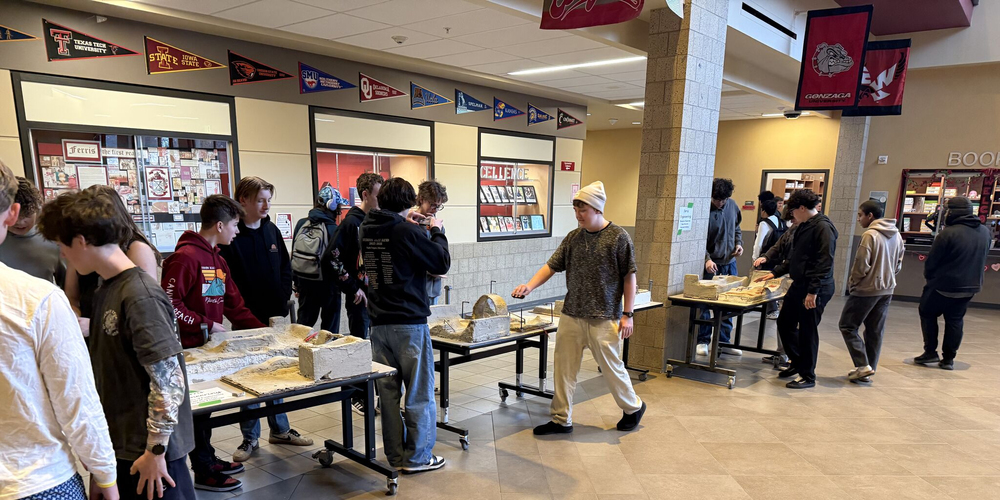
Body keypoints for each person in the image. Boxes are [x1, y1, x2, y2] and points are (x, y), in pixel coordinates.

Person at [38, 188, 197, 500]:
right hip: (123, 447)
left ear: (82, 241)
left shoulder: (140, 295)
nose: (63, 255)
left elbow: (169, 381)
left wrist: (156, 450)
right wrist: (103, 463)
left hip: (152, 455)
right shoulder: (106, 290)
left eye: (61, 246)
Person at [0, 161, 119, 500]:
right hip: (35, 478)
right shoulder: (37, 299)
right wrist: (106, 476)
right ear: (12, 212)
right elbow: (76, 401)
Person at [513, 181, 646, 436]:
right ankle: (561, 418)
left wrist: (628, 315)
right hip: (572, 314)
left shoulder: (618, 237)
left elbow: (630, 278)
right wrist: (530, 286)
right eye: (575, 209)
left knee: (611, 368)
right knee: (563, 367)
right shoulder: (574, 237)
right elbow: (551, 265)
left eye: (582, 210)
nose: (577, 215)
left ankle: (633, 407)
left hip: (604, 316)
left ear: (597, 209)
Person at [160, 195, 268, 492]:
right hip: (189, 350)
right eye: (234, 224)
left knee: (207, 410)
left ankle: (207, 457)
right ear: (219, 225)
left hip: (210, 351)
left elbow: (234, 306)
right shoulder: (185, 258)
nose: (237, 230)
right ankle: (203, 469)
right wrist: (204, 324)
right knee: (195, 412)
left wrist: (265, 334)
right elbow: (169, 303)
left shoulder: (217, 260)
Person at [360, 177, 449, 474]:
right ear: (409, 201)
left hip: (378, 323)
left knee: (387, 395)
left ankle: (396, 456)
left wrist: (409, 223)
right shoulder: (406, 231)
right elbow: (440, 262)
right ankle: (418, 457)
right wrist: (435, 230)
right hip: (409, 322)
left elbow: (392, 244)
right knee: (419, 392)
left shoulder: (366, 228)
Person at [218, 177, 307, 463]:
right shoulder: (232, 235)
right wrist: (239, 312)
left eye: (269, 199)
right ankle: (249, 437)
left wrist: (282, 298)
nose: (267, 205)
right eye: (260, 200)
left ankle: (280, 430)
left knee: (276, 374)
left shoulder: (271, 230)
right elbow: (225, 280)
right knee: (251, 378)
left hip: (274, 315)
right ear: (243, 200)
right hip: (245, 319)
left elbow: (284, 266)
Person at [756, 189, 837, 389]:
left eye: (793, 210)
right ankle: (797, 362)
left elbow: (824, 262)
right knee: (785, 322)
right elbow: (794, 258)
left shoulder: (823, 228)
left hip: (816, 287)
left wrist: (813, 291)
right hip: (799, 284)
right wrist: (775, 272)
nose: (791, 215)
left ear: (802, 208)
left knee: (808, 330)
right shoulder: (803, 226)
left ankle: (807, 375)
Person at [914, 196, 991, 370]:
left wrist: (931, 279)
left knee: (927, 313)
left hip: (943, 285)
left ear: (954, 212)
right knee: (955, 320)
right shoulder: (985, 232)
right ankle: (948, 359)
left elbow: (932, 263)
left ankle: (930, 351)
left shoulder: (948, 233)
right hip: (970, 286)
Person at [64, 185, 159, 318]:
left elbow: (146, 307)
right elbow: (71, 296)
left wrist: (92, 325)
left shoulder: (137, 248)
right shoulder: (83, 246)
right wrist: (76, 316)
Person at [839, 201, 905, 383]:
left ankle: (862, 365)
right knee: (875, 330)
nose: (859, 219)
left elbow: (861, 265)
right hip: (887, 289)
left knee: (847, 325)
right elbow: (898, 264)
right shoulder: (896, 235)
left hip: (866, 289)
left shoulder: (870, 235)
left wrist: (853, 283)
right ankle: (869, 369)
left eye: (860, 215)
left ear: (870, 216)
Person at [331, 172, 382, 339]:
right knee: (359, 343)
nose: (381, 201)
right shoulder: (351, 224)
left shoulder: (376, 221)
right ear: (365, 195)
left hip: (377, 296)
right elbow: (331, 258)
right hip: (360, 298)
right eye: (378, 196)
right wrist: (353, 288)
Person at [293, 185, 350, 332]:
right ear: (331, 205)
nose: (339, 209)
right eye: (338, 205)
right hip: (329, 287)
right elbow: (337, 260)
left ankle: (298, 351)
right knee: (329, 331)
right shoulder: (333, 228)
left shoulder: (301, 224)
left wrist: (297, 284)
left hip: (305, 283)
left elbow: (294, 254)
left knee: (302, 328)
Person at [698, 178, 743, 357]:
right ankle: (703, 341)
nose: (720, 203)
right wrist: (706, 259)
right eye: (717, 200)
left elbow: (737, 228)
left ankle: (723, 342)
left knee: (728, 304)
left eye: (723, 200)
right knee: (704, 305)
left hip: (729, 264)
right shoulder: (704, 209)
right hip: (711, 265)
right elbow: (697, 239)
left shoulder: (732, 206)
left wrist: (739, 244)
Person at [753, 204, 797, 366]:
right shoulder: (791, 230)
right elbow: (778, 245)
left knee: (791, 321)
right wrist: (765, 257)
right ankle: (783, 354)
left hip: (799, 281)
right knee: (784, 320)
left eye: (792, 219)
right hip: (787, 276)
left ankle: (792, 357)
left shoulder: (808, 230)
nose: (790, 223)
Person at [0, 176, 65, 284]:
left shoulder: (54, 241)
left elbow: (68, 291)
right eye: (15, 216)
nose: (20, 222)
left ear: (38, 210)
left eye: (27, 215)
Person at [414, 180, 449, 305]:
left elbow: (441, 253)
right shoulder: (411, 223)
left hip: (433, 288)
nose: (435, 209)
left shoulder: (438, 225)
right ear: (422, 199)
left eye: (438, 206)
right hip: (416, 287)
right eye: (433, 205)